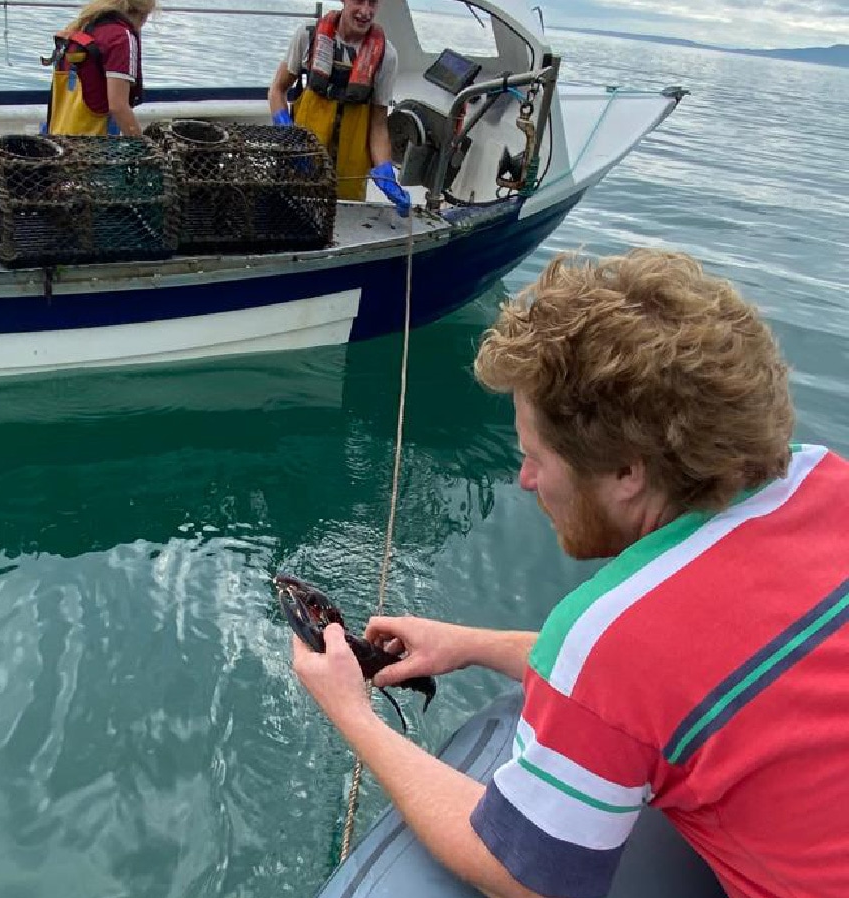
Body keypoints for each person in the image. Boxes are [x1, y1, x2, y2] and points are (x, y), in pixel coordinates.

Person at [292, 249, 849, 898]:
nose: (525, 479)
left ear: (627, 472)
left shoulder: (613, 635)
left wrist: (351, 712)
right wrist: (470, 645)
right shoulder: (822, 477)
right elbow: (663, 683)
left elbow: (523, 872)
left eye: (535, 457)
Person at [267, 0, 410, 216]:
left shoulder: (386, 56)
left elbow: (378, 124)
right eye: (358, 0)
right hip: (301, 158)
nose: (365, 11)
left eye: (373, 2)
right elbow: (277, 89)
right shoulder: (308, 35)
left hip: (349, 172)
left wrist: (385, 170)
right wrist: (286, 131)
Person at [43, 0, 156, 137]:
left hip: (61, 138)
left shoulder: (83, 25)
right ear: (144, 12)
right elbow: (118, 106)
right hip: (94, 147)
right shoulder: (121, 37)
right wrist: (143, 145)